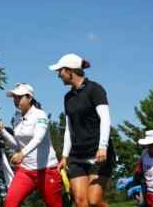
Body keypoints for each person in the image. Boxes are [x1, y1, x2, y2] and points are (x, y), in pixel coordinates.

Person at [50, 53, 115, 207]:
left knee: (94, 201)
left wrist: (103, 146)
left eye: (60, 71)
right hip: (77, 156)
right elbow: (69, 127)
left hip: (99, 153)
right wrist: (65, 155)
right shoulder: (68, 98)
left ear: (69, 71)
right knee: (80, 202)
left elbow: (105, 119)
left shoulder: (95, 89)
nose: (58, 75)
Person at [0, 83, 63, 207]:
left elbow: (38, 138)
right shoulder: (16, 117)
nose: (15, 100)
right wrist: (2, 131)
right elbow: (16, 145)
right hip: (26, 171)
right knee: (10, 203)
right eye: (14, 97)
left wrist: (22, 154)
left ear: (29, 98)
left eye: (19, 97)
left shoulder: (40, 115)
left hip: (47, 170)